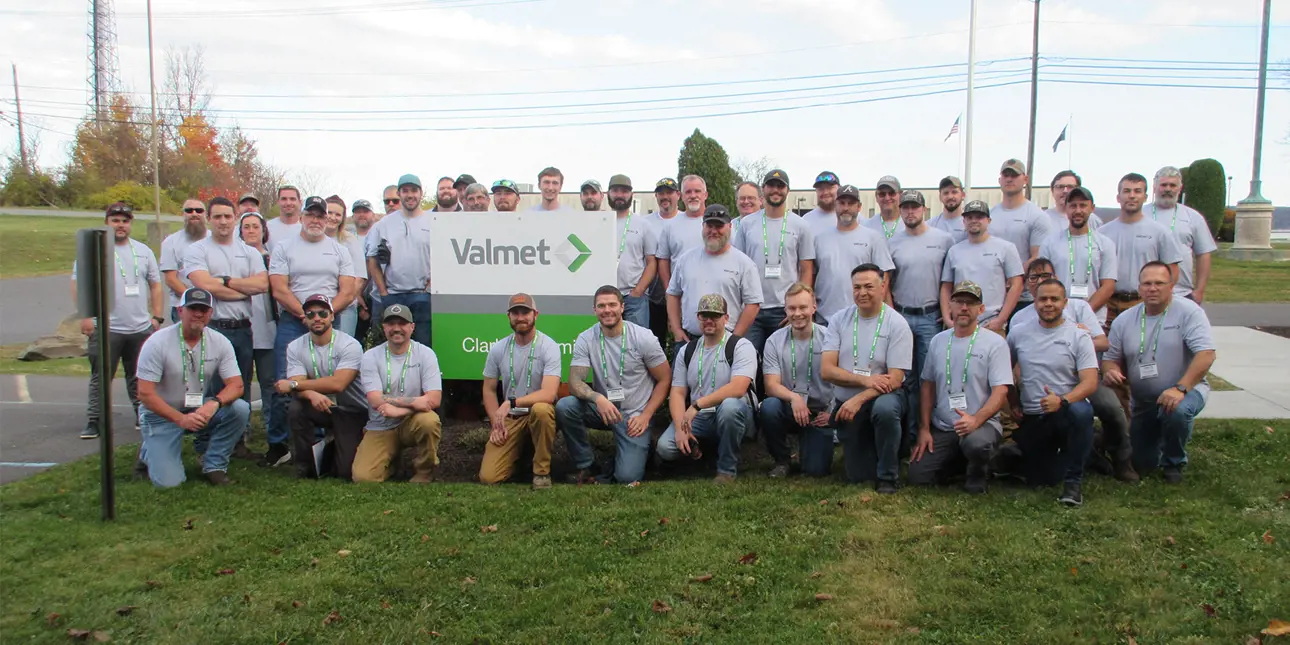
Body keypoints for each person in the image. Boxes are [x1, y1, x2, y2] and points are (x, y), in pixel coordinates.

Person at [1011, 258, 1136, 483]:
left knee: (1108, 407)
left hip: (1080, 377)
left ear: (1057, 280)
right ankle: (1086, 452)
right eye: (1034, 277)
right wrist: (1019, 395)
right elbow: (1016, 361)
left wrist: (1079, 338)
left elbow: (1103, 342)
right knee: (1040, 472)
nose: (1040, 281)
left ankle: (1122, 459)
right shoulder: (1020, 320)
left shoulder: (1079, 307)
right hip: (1045, 383)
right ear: (1028, 285)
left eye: (1046, 276)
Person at [1102, 261, 1216, 484]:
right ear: (1139, 287)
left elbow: (1206, 355)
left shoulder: (1189, 312)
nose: (1152, 288)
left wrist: (1180, 388)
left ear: (1171, 286)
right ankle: (1143, 444)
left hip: (1185, 390)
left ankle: (1174, 463)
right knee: (1142, 463)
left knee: (1176, 411)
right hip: (1144, 401)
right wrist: (1111, 371)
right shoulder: (1124, 320)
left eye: (1159, 283)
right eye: (1147, 283)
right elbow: (1110, 360)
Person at [266, 195, 359, 468]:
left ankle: (327, 438)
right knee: (283, 381)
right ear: (302, 217)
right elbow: (279, 288)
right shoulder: (285, 247)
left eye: (321, 216)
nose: (316, 220)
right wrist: (304, 315)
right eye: (311, 215)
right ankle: (278, 444)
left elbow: (348, 290)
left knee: (329, 381)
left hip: (330, 321)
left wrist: (325, 316)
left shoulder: (339, 249)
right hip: (293, 320)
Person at [134, 288, 251, 487]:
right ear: (180, 311)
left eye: (203, 310)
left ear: (210, 314)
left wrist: (213, 404)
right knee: (170, 483)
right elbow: (144, 393)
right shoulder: (157, 342)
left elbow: (237, 385)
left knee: (240, 409)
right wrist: (181, 419)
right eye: (193, 308)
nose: (198, 314)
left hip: (197, 407)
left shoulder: (220, 342)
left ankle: (214, 465)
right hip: (161, 413)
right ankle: (148, 451)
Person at [557, 286, 671, 484]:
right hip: (605, 410)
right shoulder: (586, 338)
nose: (607, 310)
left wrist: (646, 415)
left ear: (622, 307)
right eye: (601, 306)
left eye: (612, 305)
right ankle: (587, 466)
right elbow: (575, 382)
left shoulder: (643, 337)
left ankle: (632, 457)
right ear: (594, 310)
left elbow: (664, 379)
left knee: (627, 477)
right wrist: (597, 398)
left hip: (635, 416)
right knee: (566, 407)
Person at [182, 196, 268, 457]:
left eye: (227, 216)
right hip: (210, 328)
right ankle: (204, 443)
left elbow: (262, 285)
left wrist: (225, 283)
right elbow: (203, 286)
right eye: (217, 216)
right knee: (207, 387)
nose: (223, 221)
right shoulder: (198, 250)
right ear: (209, 219)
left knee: (238, 386)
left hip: (242, 329)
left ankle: (237, 442)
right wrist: (242, 288)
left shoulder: (250, 252)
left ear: (235, 219)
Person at [908, 281, 1013, 493]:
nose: (964, 308)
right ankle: (959, 464)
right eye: (959, 302)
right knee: (918, 476)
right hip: (945, 426)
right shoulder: (938, 341)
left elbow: (1001, 391)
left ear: (981, 309)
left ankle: (978, 471)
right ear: (950, 306)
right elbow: (928, 385)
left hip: (981, 425)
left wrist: (976, 420)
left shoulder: (995, 343)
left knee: (976, 444)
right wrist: (925, 428)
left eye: (971, 303)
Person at [73, 202, 164, 439]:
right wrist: (85, 316)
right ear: (107, 222)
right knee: (101, 376)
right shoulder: (95, 250)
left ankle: (141, 413)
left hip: (140, 326)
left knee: (140, 375)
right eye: (115, 220)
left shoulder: (143, 251)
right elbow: (79, 283)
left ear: (130, 224)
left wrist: (156, 316)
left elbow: (155, 284)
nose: (120, 225)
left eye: (125, 221)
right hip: (107, 327)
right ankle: (95, 420)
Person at [821, 264, 913, 493]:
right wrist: (865, 381)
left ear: (883, 287)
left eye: (869, 286)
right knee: (858, 476)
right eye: (857, 287)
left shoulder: (897, 324)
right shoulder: (839, 320)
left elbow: (896, 378)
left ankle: (888, 476)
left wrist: (860, 398)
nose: (862, 293)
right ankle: (875, 453)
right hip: (850, 403)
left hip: (883, 398)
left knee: (885, 409)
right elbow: (827, 370)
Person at [1006, 279, 1099, 506]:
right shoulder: (1018, 333)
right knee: (1043, 478)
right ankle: (1088, 453)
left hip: (1067, 411)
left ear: (1065, 302)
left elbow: (1090, 382)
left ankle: (1073, 483)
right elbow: (1004, 373)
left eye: (1054, 299)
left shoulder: (1079, 336)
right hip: (1034, 415)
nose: (1048, 304)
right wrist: (1014, 403)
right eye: (1042, 299)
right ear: (1034, 302)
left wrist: (1062, 401)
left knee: (1082, 413)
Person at [655, 294, 757, 483]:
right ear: (698, 318)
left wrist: (696, 406)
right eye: (704, 316)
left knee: (729, 408)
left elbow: (738, 388)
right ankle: (699, 455)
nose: (709, 321)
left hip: (734, 414)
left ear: (726, 318)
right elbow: (677, 392)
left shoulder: (740, 346)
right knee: (665, 447)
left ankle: (726, 471)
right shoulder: (688, 350)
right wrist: (680, 427)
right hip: (701, 417)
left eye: (715, 316)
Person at [887, 190, 955, 449]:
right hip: (902, 316)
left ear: (924, 209)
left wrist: (946, 314)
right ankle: (908, 435)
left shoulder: (944, 240)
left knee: (930, 378)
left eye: (914, 207)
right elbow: (887, 284)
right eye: (905, 208)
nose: (910, 212)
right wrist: (893, 316)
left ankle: (932, 433)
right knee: (905, 379)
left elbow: (949, 282)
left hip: (931, 317)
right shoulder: (892, 241)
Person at [278, 294, 366, 480]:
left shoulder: (350, 345)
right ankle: (306, 464)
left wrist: (295, 385)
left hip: (352, 410)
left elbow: (338, 384)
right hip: (321, 406)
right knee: (297, 408)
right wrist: (311, 394)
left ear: (332, 316)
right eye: (310, 314)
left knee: (344, 472)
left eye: (322, 313)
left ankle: (334, 445)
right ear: (305, 318)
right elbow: (297, 383)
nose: (317, 318)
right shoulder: (295, 346)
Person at [354, 304, 444, 483]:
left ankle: (425, 471)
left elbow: (434, 399)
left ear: (412, 327)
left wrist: (399, 411)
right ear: (384, 327)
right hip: (381, 424)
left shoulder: (426, 354)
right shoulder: (370, 356)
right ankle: (393, 464)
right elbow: (374, 399)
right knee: (363, 478)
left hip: (412, 422)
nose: (396, 328)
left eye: (402, 323)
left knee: (429, 421)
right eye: (391, 323)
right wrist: (414, 403)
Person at [479, 294, 562, 488]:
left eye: (525, 312)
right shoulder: (499, 348)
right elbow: (489, 389)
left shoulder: (549, 346)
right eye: (515, 313)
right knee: (488, 478)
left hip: (537, 414)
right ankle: (518, 461)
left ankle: (541, 472)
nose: (520, 317)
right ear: (508, 316)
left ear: (536, 314)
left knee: (541, 409)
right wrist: (496, 423)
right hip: (511, 419)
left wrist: (511, 402)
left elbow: (549, 393)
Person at [733, 168, 816, 354]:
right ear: (763, 190)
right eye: (771, 185)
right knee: (748, 361)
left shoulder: (801, 225)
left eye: (781, 186)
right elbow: (738, 266)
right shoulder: (747, 224)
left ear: (788, 191)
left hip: (785, 310)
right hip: (753, 308)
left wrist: (799, 307)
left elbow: (806, 269)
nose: (776, 190)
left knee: (785, 361)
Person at [758, 284, 832, 478]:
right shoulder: (774, 340)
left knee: (816, 471)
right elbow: (771, 385)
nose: (797, 313)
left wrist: (831, 411)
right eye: (792, 308)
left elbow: (840, 381)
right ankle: (782, 460)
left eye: (803, 307)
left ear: (813, 308)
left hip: (819, 413)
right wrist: (794, 398)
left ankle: (810, 450)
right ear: (785, 310)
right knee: (769, 407)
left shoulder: (829, 338)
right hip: (790, 408)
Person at [666, 204, 763, 345]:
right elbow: (672, 294)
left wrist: (735, 339)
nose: (713, 231)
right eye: (709, 226)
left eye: (719, 226)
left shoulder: (744, 263)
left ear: (730, 226)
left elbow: (753, 304)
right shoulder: (686, 259)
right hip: (689, 340)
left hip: (726, 341)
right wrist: (676, 330)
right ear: (703, 226)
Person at [1096, 173, 1184, 327]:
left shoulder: (1159, 233)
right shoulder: (1102, 233)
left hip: (1143, 302)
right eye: (1127, 191)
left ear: (1145, 196)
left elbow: (1172, 271)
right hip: (1108, 305)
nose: (1132, 196)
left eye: (1137, 191)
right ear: (1118, 197)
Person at [365, 174, 433, 346]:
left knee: (424, 346)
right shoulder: (383, 224)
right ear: (400, 193)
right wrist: (383, 292)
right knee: (393, 347)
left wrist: (430, 287)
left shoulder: (433, 221)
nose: (410, 195)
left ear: (421, 193)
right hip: (393, 295)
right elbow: (372, 259)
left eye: (414, 190)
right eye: (405, 191)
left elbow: (443, 256)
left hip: (423, 296)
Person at [940, 200, 1024, 334]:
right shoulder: (954, 251)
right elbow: (946, 287)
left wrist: (1001, 319)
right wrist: (947, 319)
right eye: (969, 217)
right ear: (964, 221)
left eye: (979, 217)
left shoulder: (1006, 248)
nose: (974, 220)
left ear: (989, 220)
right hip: (961, 323)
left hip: (991, 323)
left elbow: (1017, 284)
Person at [813, 184, 895, 320]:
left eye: (851, 204)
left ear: (859, 207)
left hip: (863, 316)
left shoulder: (874, 238)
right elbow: (812, 275)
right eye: (842, 203)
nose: (846, 208)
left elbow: (884, 277)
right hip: (825, 317)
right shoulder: (819, 239)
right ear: (835, 205)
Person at [1038, 187, 1116, 324]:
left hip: (1094, 318)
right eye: (1073, 206)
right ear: (1066, 209)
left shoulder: (1105, 243)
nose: (1078, 211)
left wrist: (1084, 314)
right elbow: (1044, 283)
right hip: (1058, 319)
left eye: (1083, 205)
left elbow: (1108, 286)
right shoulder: (1050, 243)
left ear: (1092, 208)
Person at [237, 212, 280, 454]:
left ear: (264, 231)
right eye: (246, 227)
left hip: (267, 328)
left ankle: (271, 429)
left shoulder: (271, 259)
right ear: (240, 231)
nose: (251, 231)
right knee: (240, 382)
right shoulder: (235, 258)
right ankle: (241, 432)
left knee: (268, 383)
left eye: (256, 227)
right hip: (241, 325)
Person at [990, 159, 1053, 321]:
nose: (1009, 179)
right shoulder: (989, 216)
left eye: (1014, 175)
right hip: (993, 299)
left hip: (1024, 300)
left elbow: (1037, 257)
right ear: (999, 180)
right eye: (1006, 175)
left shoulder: (1037, 216)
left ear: (1025, 180)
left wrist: (1012, 277)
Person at [1149, 166, 1218, 303]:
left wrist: (1199, 291)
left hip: (1181, 293)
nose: (1168, 189)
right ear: (1155, 187)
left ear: (1180, 188)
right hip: (1147, 292)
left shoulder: (1193, 217)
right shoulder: (1142, 215)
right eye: (1163, 185)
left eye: (1172, 185)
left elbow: (1203, 254)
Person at [608, 174, 657, 328]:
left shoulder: (643, 225)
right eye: (615, 190)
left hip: (633, 297)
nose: (620, 195)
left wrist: (638, 291)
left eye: (624, 191)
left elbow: (651, 262)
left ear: (631, 194)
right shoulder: (599, 222)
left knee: (637, 345)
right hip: (606, 296)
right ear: (608, 194)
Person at [656, 175, 712, 305]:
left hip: (713, 293)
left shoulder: (717, 224)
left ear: (705, 195)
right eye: (688, 192)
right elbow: (663, 261)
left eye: (697, 191)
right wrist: (669, 293)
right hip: (681, 296)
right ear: (681, 195)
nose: (693, 195)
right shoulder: (670, 226)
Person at [646, 177, 683, 348]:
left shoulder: (686, 220)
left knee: (681, 338)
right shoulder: (645, 222)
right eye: (661, 193)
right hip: (653, 293)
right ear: (656, 196)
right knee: (655, 341)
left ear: (678, 195)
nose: (665, 197)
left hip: (681, 291)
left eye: (669, 193)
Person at [324, 195, 368, 337]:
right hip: (318, 308)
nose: (333, 217)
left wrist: (338, 304)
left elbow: (359, 278)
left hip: (345, 309)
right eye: (329, 212)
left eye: (338, 214)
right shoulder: (311, 239)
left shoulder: (350, 240)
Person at [160, 198, 210, 319]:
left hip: (213, 306)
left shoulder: (214, 239)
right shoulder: (170, 242)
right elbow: (171, 279)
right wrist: (194, 299)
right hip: (182, 307)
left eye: (199, 210)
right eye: (189, 210)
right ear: (183, 214)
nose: (194, 214)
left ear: (206, 215)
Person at [350, 198, 379, 344]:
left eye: (365, 211)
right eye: (358, 212)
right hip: (353, 297)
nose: (362, 215)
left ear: (373, 215)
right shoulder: (347, 239)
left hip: (376, 296)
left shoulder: (379, 234)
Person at [928, 176, 968, 243]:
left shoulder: (970, 224)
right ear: (940, 197)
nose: (950, 196)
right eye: (946, 193)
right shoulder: (930, 225)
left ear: (963, 195)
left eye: (954, 192)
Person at [800, 170, 840, 235]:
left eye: (830, 188)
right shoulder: (806, 220)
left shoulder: (854, 218)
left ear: (839, 188)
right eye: (820, 189)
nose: (825, 192)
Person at [864, 176, 903, 240]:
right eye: (882, 194)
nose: (887, 198)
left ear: (901, 195)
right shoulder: (867, 226)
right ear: (876, 196)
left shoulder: (910, 225)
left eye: (892, 193)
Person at [267, 186, 303, 252]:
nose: (288, 203)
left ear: (300, 202)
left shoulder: (306, 228)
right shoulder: (267, 227)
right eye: (284, 199)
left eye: (292, 199)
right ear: (278, 202)